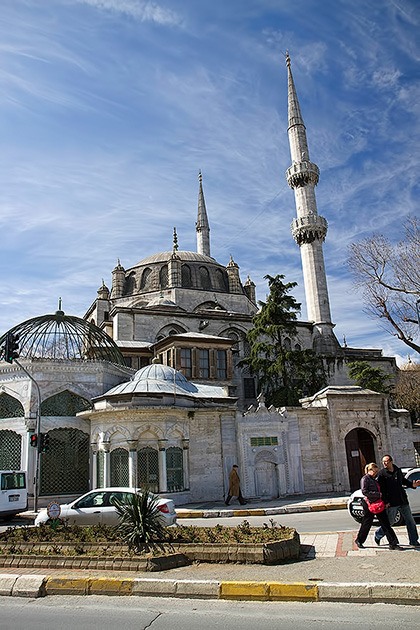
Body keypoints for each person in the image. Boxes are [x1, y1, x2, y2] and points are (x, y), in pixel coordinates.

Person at [374, 454, 420, 547]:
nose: (385, 463)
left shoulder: (397, 470)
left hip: (402, 499)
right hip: (392, 502)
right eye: (383, 462)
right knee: (390, 521)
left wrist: (412, 485)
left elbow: (403, 481)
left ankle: (414, 541)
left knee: (410, 520)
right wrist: (386, 501)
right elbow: (382, 489)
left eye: (386, 461)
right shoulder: (382, 474)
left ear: (391, 461)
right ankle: (378, 534)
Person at [355, 462, 400, 550]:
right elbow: (364, 491)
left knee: (385, 523)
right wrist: (377, 494)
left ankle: (393, 543)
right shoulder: (365, 479)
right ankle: (359, 540)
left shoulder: (374, 479)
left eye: (376, 471)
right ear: (369, 470)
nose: (375, 473)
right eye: (374, 471)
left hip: (378, 503)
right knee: (367, 523)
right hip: (370, 504)